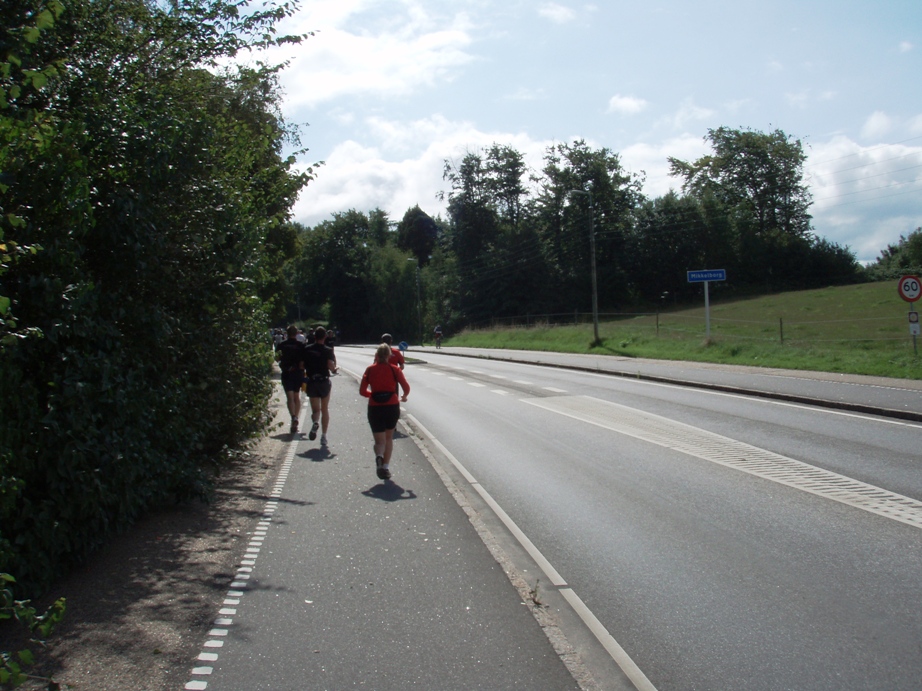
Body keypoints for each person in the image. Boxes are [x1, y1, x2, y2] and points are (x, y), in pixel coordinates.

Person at [359, 343, 410, 480]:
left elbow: (362, 391)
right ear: (388, 356)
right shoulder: (395, 370)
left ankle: (379, 457)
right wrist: (404, 396)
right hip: (391, 406)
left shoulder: (369, 370)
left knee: (379, 441)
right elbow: (406, 387)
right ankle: (386, 467)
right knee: (388, 438)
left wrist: (373, 395)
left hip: (375, 407)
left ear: (376, 355)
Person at [302, 326, 338, 445]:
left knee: (316, 409)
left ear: (314, 336)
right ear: (325, 337)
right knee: (325, 408)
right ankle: (324, 436)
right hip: (324, 381)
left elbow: (302, 365)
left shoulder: (307, 349)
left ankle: (315, 422)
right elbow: (330, 365)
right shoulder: (327, 350)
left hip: (312, 381)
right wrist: (334, 369)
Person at [277, 325, 308, 434]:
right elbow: (304, 361)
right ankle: (296, 417)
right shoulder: (301, 346)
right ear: (296, 333)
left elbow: (277, 358)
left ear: (287, 333)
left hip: (287, 373)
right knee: (296, 396)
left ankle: (293, 417)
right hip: (298, 373)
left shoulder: (282, 345)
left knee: (290, 397)